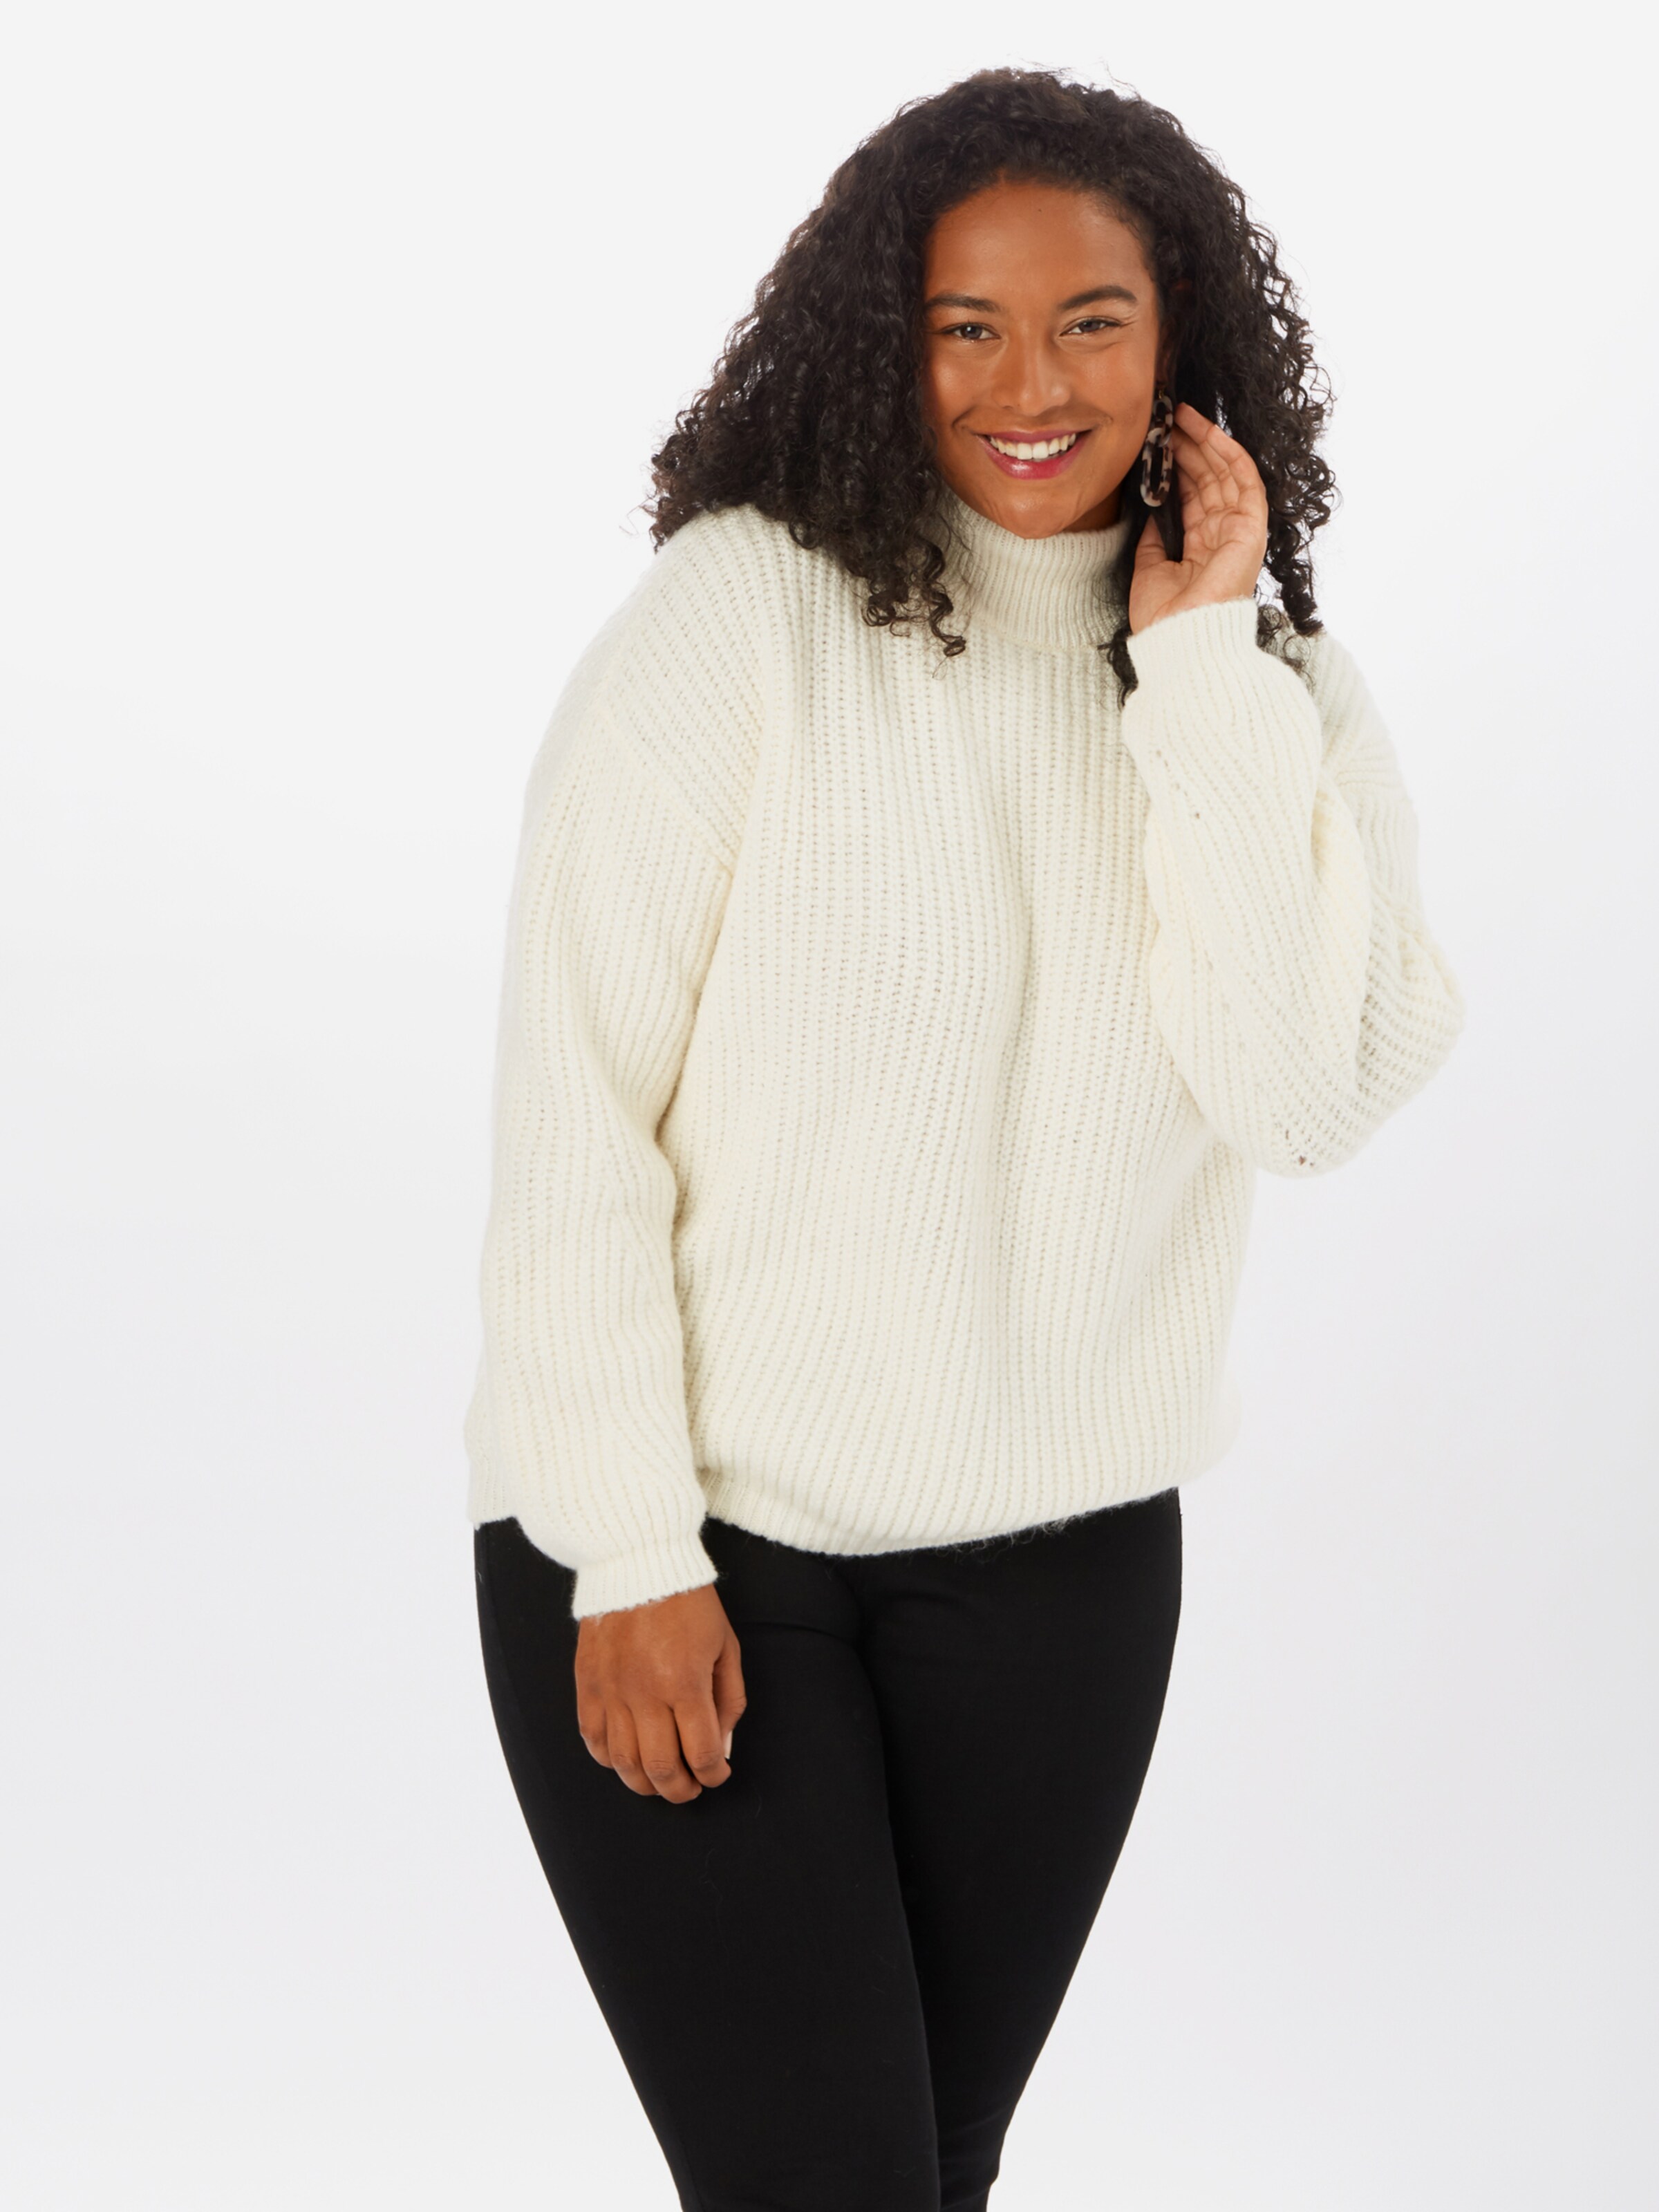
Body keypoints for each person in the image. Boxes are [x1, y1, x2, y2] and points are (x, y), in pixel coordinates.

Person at [464, 64, 1465, 2212]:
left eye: (1094, 322)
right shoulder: (743, 617)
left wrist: (1199, 676)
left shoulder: (1274, 688)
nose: (1034, 386)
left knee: (923, 2172)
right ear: (880, 340)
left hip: (1064, 1568)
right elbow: (574, 1115)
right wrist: (625, 1553)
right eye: (966, 328)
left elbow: (1301, 1097)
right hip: (704, 1544)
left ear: (1179, 338)